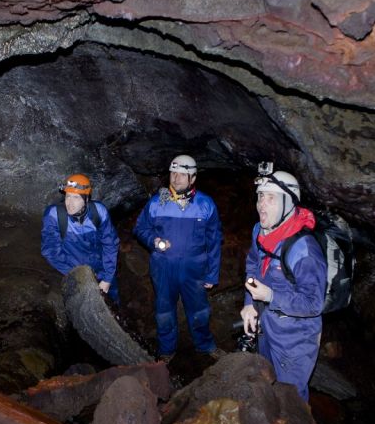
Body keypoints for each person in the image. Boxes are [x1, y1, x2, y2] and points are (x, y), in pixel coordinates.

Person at [240, 168, 327, 401]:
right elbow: (252, 265)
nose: (261, 205)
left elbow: (313, 303)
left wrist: (270, 296)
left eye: (271, 198)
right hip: (266, 326)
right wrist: (250, 303)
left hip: (295, 340)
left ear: (289, 203)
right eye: (260, 196)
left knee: (290, 399)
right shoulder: (260, 230)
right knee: (266, 379)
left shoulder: (304, 250)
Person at [134, 155, 224, 362]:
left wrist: (212, 273)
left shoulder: (205, 204)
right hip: (163, 267)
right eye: (173, 173)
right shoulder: (157, 202)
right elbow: (140, 228)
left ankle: (205, 346)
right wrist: (153, 240)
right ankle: (167, 351)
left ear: (192, 178)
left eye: (182, 174)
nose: (176, 178)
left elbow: (214, 240)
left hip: (195, 269)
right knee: (164, 311)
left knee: (200, 311)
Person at [41, 173, 120, 303]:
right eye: (68, 196)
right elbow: (51, 251)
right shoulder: (55, 215)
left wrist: (107, 278)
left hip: (102, 268)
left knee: (113, 301)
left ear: (86, 199)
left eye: (76, 197)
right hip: (75, 270)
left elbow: (110, 244)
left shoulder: (98, 212)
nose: (69, 203)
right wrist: (75, 274)